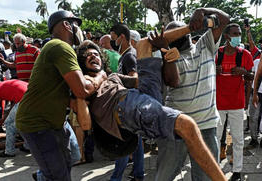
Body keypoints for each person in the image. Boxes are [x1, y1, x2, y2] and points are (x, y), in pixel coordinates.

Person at [74, 40, 227, 181]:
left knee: (143, 44)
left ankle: (188, 28)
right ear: (81, 62)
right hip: (125, 106)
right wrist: (85, 90)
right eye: (88, 55)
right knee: (187, 125)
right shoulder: (84, 85)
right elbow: (86, 125)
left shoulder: (112, 77)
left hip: (141, 96)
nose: (93, 56)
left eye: (96, 53)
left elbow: (139, 80)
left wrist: (167, 59)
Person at [15, 10, 106, 181]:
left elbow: (71, 95)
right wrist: (101, 75)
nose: (79, 30)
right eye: (76, 25)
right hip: (38, 125)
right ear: (67, 25)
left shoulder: (61, 48)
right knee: (59, 176)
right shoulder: (59, 46)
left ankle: (44, 175)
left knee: (72, 157)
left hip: (55, 122)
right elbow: (82, 89)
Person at [155, 7, 230, 181]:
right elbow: (171, 81)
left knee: (204, 177)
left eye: (178, 32)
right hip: (177, 126)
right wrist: (166, 52)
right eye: (170, 35)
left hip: (206, 126)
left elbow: (225, 19)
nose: (175, 37)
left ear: (188, 32)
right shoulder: (170, 57)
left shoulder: (205, 44)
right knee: (164, 176)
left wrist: (201, 10)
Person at [216, 23, 254, 180]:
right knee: (216, 138)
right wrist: (213, 70)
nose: (238, 36)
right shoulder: (216, 54)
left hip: (237, 104)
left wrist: (244, 72)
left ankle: (237, 171)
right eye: (235, 34)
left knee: (238, 139)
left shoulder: (245, 54)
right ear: (227, 36)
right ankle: (215, 168)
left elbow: (252, 76)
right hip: (218, 104)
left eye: (239, 33)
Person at [109, 24, 143, 181]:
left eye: (113, 37)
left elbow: (135, 80)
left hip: (128, 105)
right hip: (129, 104)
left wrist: (116, 78)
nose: (112, 41)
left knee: (123, 142)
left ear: (122, 37)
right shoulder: (125, 55)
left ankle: (116, 178)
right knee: (135, 142)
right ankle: (138, 174)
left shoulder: (129, 56)